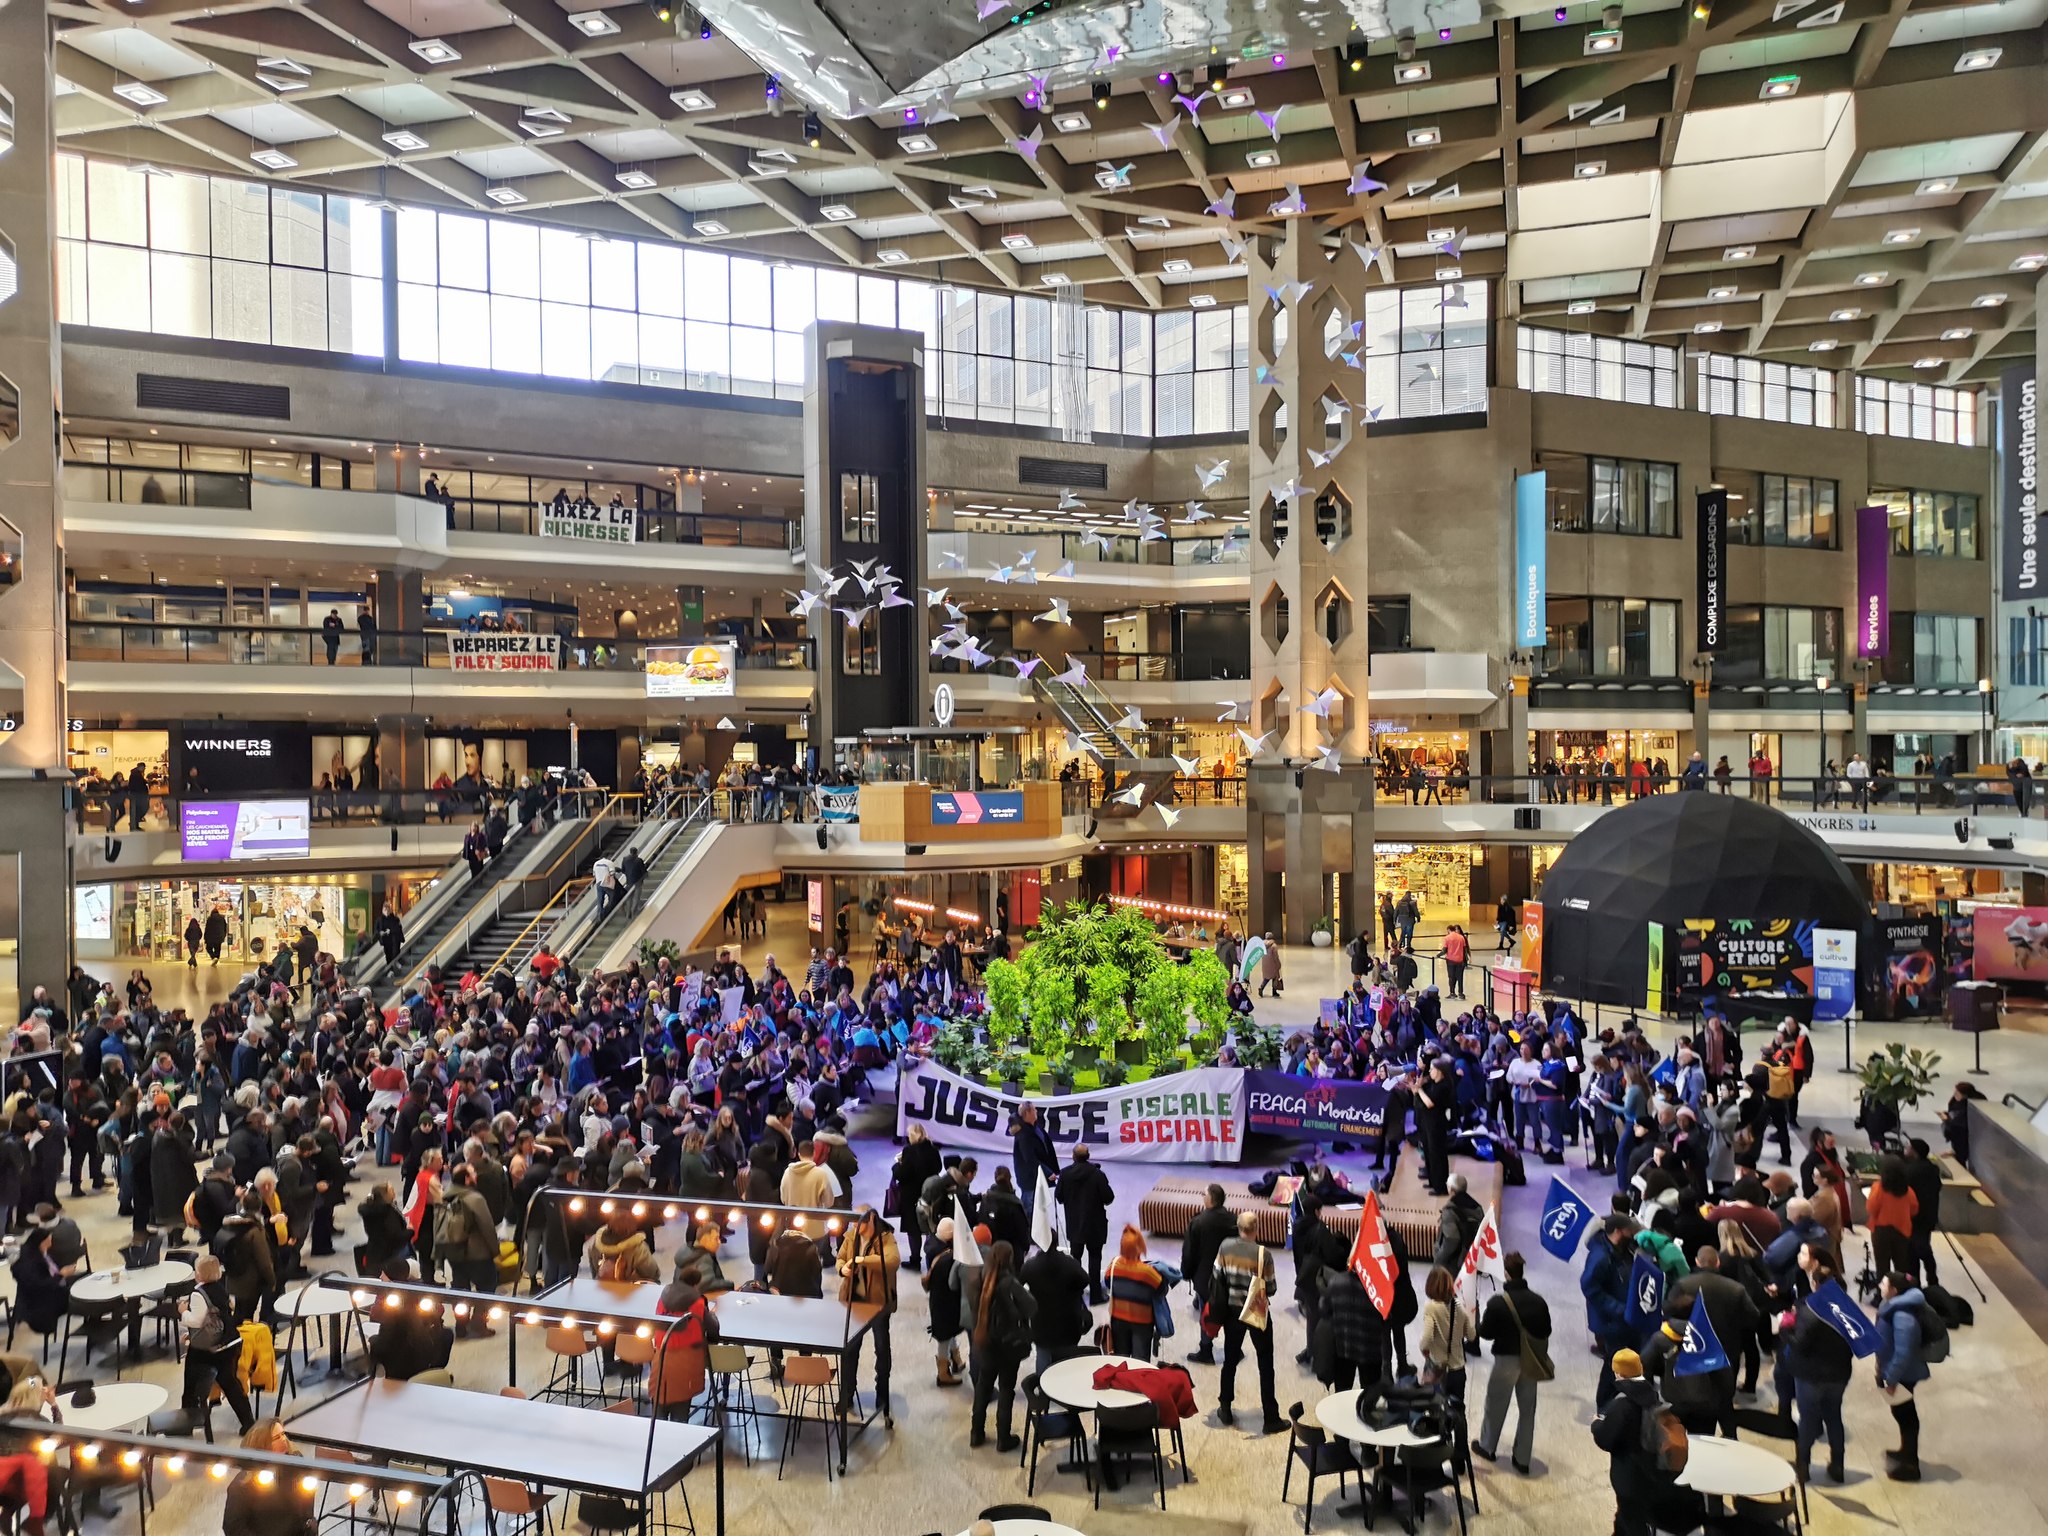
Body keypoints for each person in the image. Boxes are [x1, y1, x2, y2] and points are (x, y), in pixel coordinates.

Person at [1591, 1349, 1706, 1536]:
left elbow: (1605, 1439)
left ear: (1619, 1373)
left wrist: (1596, 1423)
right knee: (1629, 1518)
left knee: (1631, 1521)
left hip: (1629, 1476)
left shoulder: (1622, 1405)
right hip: (1651, 1472)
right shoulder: (1652, 1394)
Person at [1475, 1251, 1551, 1474]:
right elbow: (1547, 1330)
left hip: (1505, 1361)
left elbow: (1485, 1334)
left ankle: (1488, 1447)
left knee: (1496, 1404)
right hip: (1531, 1362)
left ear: (1506, 1274)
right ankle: (1522, 1459)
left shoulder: (1498, 1303)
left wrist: (1479, 1320)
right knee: (1528, 1409)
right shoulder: (1539, 1302)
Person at [1208, 1210, 1282, 1433]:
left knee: (1230, 1359)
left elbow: (1217, 1275)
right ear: (1256, 1228)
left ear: (1238, 1227)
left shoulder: (1225, 1247)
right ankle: (1270, 1417)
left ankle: (1225, 1407)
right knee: (1265, 1363)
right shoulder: (1263, 1254)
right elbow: (1271, 1288)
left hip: (1232, 1312)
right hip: (1256, 1312)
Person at [1786, 1245, 1854, 1484]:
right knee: (1834, 1417)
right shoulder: (1847, 1309)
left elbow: (1799, 1343)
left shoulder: (1810, 1310)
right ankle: (1838, 1465)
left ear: (1815, 1284)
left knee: (1808, 1420)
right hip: (1839, 1373)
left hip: (1811, 1374)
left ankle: (1802, 1466)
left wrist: (1785, 1329)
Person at [967, 1239, 1035, 1451]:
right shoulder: (1010, 1284)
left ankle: (976, 1433)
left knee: (983, 1387)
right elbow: (1031, 1307)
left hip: (984, 1343)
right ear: (1010, 1259)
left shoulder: (977, 1279)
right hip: (1008, 1346)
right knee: (1006, 1390)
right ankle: (1003, 1438)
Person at [836, 1208, 899, 1427]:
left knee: (882, 1348)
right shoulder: (851, 1236)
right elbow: (841, 1258)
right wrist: (843, 1268)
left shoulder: (886, 1236)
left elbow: (892, 1261)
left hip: (878, 1303)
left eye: (859, 1223)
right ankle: (847, 1394)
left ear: (871, 1219)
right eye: (853, 1223)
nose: (855, 1227)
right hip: (854, 1301)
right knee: (850, 1349)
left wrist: (862, 1259)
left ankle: (882, 1394)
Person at [182, 1254, 256, 1436]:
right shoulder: (222, 1287)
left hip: (207, 1348)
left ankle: (185, 1424)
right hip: (230, 1341)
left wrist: (183, 1312)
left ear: (199, 1274)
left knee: (191, 1384)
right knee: (231, 1384)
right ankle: (248, 1422)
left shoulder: (198, 1293)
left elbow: (197, 1321)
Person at [1874, 1269, 1930, 1481]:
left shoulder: (1903, 1315)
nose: (1880, 1285)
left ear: (1894, 1291)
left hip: (1903, 1375)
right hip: (1895, 1371)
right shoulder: (1893, 1306)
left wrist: (1891, 1379)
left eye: (1884, 1284)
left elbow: (1903, 1352)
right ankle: (1905, 1451)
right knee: (1901, 1413)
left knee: (1906, 1416)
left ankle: (1910, 1465)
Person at [222, 1420, 318, 1536]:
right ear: (262, 1445)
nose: (283, 1440)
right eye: (276, 1437)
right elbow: (233, 1527)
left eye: (283, 1434)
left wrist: (309, 1523)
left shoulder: (296, 1465)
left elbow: (307, 1503)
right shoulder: (242, 1485)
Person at [1582, 1215, 1636, 1407]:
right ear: (1619, 1231)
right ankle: (1604, 1406)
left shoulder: (1620, 1251)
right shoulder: (1601, 1257)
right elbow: (1590, 1288)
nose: (1633, 1234)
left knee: (1618, 1362)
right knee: (1612, 1364)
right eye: (1630, 1231)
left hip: (1623, 1319)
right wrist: (1619, 1309)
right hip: (1611, 1321)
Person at [1180, 1184, 1237, 1364]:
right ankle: (1233, 1350)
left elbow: (1189, 1253)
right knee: (1229, 1314)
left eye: (1204, 1193)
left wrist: (1186, 1273)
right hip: (1229, 1276)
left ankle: (1206, 1351)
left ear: (1210, 1199)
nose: (1202, 1196)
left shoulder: (1197, 1222)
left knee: (1206, 1314)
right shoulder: (1233, 1219)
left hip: (1205, 1278)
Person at [1056, 1144, 1114, 1304]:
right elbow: (1109, 1198)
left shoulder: (1065, 1174)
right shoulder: (1097, 1174)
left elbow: (1059, 1197)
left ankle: (1076, 1292)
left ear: (1073, 1157)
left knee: (1076, 1258)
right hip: (1095, 1226)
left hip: (1075, 1225)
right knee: (1095, 1259)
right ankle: (1096, 1295)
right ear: (1088, 1156)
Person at [1105, 1224, 1164, 1360]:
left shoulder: (1113, 1265)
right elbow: (1160, 1289)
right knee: (1140, 1363)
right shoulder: (1147, 1272)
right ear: (1139, 1247)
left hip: (1118, 1320)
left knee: (1120, 1360)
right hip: (1142, 1322)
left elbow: (1108, 1282)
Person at [1419, 1264, 1473, 1401]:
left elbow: (1427, 1338)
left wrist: (1424, 1349)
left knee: (1433, 1408)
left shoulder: (1431, 1307)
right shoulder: (1460, 1306)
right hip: (1458, 1369)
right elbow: (1471, 1335)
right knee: (1457, 1410)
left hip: (1438, 1368)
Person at [924, 1217, 966, 1388]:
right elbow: (954, 1283)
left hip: (938, 1301)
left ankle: (956, 1359)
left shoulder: (932, 1247)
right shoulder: (947, 1258)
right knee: (944, 1337)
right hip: (946, 1303)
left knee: (948, 1333)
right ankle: (943, 1373)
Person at [1865, 1158, 1919, 1280]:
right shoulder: (1908, 1191)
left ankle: (1882, 1293)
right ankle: (1901, 1292)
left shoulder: (1878, 1188)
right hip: (1902, 1232)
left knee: (1882, 1266)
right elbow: (1914, 1210)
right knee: (1901, 1266)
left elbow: (1871, 1208)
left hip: (1881, 1232)